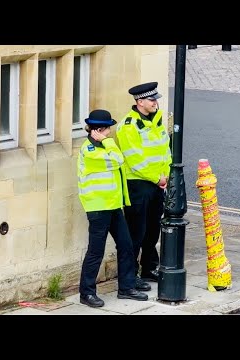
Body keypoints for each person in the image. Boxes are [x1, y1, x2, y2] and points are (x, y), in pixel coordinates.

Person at [77, 109, 149, 308]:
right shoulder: (89, 151)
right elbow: (118, 160)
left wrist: (107, 143)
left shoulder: (106, 147)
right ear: (98, 130)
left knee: (126, 246)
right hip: (98, 208)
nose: (110, 133)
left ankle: (126, 288)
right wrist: (107, 142)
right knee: (95, 252)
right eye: (107, 129)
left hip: (114, 206)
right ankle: (87, 293)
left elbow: (118, 158)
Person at [116, 82, 172, 287]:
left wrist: (165, 175)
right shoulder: (128, 126)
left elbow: (166, 150)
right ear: (140, 102)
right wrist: (157, 178)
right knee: (135, 233)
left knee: (152, 230)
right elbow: (135, 160)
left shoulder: (157, 122)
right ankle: (131, 276)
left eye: (155, 99)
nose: (155, 103)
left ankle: (149, 267)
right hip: (138, 185)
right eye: (151, 100)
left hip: (157, 184)